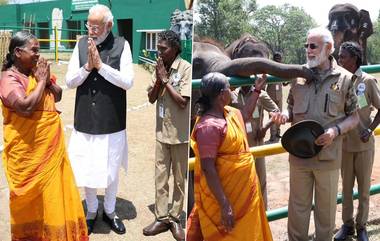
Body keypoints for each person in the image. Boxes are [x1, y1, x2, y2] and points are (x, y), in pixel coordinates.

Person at [271, 27, 359, 241]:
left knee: (325, 214)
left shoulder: (345, 79)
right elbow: (290, 108)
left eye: (313, 46)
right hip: (299, 156)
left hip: (327, 158)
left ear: (328, 48)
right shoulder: (299, 77)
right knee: (297, 211)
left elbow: (354, 117)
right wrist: (283, 114)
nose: (308, 50)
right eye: (306, 46)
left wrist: (335, 130)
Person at [0, 31, 88, 241]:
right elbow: (25, 107)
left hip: (51, 151)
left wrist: (46, 80)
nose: (38, 55)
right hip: (28, 156)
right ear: (18, 52)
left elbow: (57, 95)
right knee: (32, 205)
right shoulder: (8, 78)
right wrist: (40, 81)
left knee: (53, 199)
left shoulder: (35, 72)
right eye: (34, 50)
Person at [65, 4, 134, 235]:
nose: (91, 30)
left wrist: (102, 67)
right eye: (89, 25)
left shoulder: (122, 46)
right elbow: (69, 81)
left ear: (109, 25)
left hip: (111, 119)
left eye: (96, 26)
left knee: (111, 168)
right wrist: (87, 67)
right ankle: (92, 210)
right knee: (87, 166)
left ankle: (110, 210)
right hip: (85, 118)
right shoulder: (80, 44)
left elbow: (127, 82)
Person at [187, 72, 273, 241]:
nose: (231, 92)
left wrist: (257, 90)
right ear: (221, 95)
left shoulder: (229, 113)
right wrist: (224, 205)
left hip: (243, 197)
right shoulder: (208, 127)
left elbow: (245, 114)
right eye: (229, 88)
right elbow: (208, 168)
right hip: (225, 200)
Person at [143, 30, 190, 241]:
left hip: (180, 136)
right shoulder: (159, 68)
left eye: (164, 48)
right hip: (161, 133)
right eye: (158, 47)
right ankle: (161, 218)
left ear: (176, 49)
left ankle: (175, 219)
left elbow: (182, 102)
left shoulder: (186, 68)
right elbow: (152, 99)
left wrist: (166, 80)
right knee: (160, 178)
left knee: (180, 180)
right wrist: (159, 80)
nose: (159, 51)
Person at [334, 42, 380, 241]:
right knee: (345, 189)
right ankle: (347, 225)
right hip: (344, 145)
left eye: (343, 56)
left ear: (354, 58)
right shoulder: (338, 81)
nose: (339, 59)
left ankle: (362, 227)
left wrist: (369, 130)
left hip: (363, 145)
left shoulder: (367, 81)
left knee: (363, 189)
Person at [230, 85, 279, 209]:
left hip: (257, 142)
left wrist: (265, 128)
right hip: (239, 143)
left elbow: (276, 111)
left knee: (260, 178)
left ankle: (264, 212)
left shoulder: (261, 94)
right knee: (242, 181)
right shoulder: (233, 95)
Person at [265, 52, 283, 143]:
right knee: (272, 115)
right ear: (273, 59)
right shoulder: (269, 68)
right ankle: (272, 135)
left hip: (279, 95)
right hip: (271, 94)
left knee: (279, 114)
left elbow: (284, 82)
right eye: (276, 58)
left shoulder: (282, 68)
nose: (278, 60)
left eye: (279, 58)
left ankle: (278, 133)